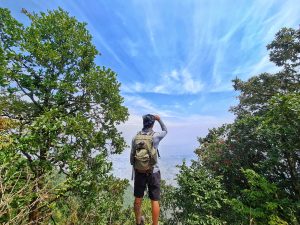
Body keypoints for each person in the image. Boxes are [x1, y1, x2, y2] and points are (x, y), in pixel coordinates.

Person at [130, 114, 167, 225]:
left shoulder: (135, 137)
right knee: (154, 200)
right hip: (153, 172)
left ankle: (138, 222)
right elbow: (165, 130)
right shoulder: (155, 136)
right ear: (153, 123)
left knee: (138, 199)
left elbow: (132, 156)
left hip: (139, 172)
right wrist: (159, 119)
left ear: (143, 123)